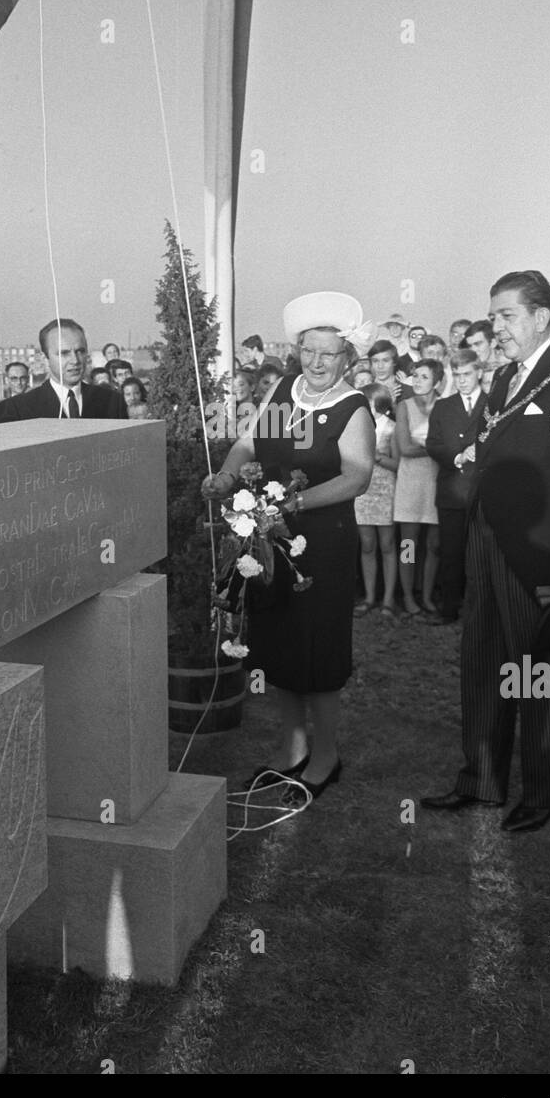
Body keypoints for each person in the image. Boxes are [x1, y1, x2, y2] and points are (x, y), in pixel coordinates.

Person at [422, 270, 550, 834]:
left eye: (507, 316)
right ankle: (481, 779)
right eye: (493, 317)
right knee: (483, 666)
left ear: (541, 317)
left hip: (542, 559)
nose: (498, 328)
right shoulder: (505, 377)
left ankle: (541, 792)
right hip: (486, 545)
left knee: (543, 677)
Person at [201, 292, 375, 807]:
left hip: (322, 547)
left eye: (329, 354)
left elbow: (356, 478)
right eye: (308, 351)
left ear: (347, 357)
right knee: (279, 642)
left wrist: (294, 503)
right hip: (269, 541)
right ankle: (292, 747)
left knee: (318, 649)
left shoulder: (352, 407)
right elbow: (250, 445)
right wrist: (227, 475)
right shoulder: (283, 391)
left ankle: (326, 755)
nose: (317, 363)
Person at [425, 349, 487, 624]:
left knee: (481, 555)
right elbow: (433, 444)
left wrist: (481, 451)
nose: (461, 380)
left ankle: (479, 612)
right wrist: (457, 456)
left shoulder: (494, 404)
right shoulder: (443, 406)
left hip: (483, 492)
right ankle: (449, 609)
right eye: (457, 375)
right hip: (451, 490)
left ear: (479, 372)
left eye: (467, 374)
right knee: (450, 552)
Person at [0, 319, 128, 422]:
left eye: (80, 351)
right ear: (45, 358)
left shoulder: (113, 402)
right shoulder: (15, 410)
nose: (75, 360)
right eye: (64, 353)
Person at [392, 358, 443, 616]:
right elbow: (405, 448)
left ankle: (427, 594)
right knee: (408, 544)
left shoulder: (446, 405)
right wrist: (437, 449)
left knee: (434, 544)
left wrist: (433, 448)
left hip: (437, 482)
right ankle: (408, 595)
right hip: (410, 482)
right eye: (415, 376)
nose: (418, 381)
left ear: (437, 381)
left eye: (424, 376)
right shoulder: (404, 406)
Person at [354, 383, 399, 619]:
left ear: (378, 403)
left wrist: (377, 457)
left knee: (389, 545)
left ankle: (389, 599)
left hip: (385, 490)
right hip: (362, 491)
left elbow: (399, 464)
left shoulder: (392, 427)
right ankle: (370, 597)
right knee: (367, 545)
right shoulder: (355, 427)